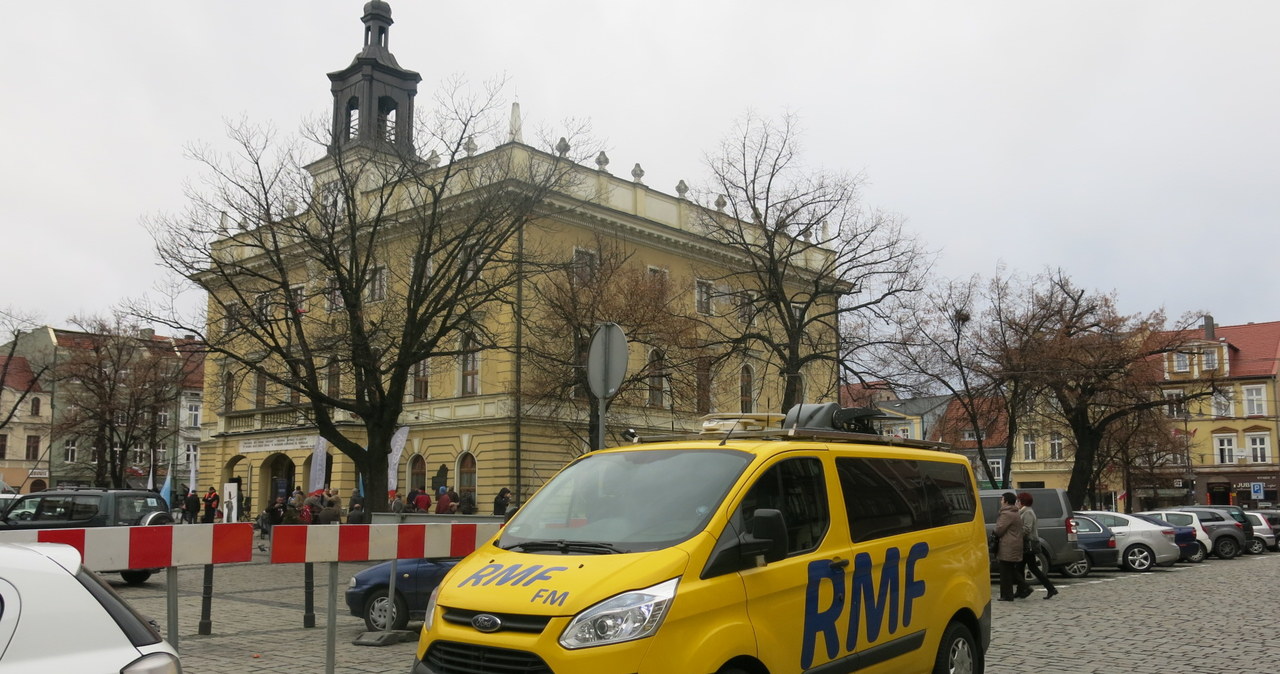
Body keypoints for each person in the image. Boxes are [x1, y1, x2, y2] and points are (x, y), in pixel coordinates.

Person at [1017, 492, 1058, 599]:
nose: (1017, 503)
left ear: (1022, 502)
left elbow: (1027, 529)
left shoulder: (1028, 512)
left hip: (1028, 544)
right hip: (1025, 544)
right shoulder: (1023, 512)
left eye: (1018, 500)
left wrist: (1016, 533)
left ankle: (1050, 588)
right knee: (1020, 567)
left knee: (1032, 568)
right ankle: (1021, 590)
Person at [993, 491, 1025, 601]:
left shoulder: (1007, 514)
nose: (1001, 501)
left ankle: (1008, 594)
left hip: (1008, 545)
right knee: (1009, 569)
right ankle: (1012, 593)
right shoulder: (1015, 512)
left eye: (1002, 499)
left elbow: (999, 530)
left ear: (1006, 501)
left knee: (1005, 571)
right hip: (1013, 543)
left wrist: (994, 531)